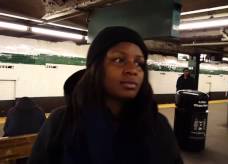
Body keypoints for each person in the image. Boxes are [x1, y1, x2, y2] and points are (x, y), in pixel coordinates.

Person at [28, 26, 183, 164]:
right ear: (96, 68)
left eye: (139, 63)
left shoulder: (157, 125)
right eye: (119, 60)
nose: (132, 70)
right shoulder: (61, 123)